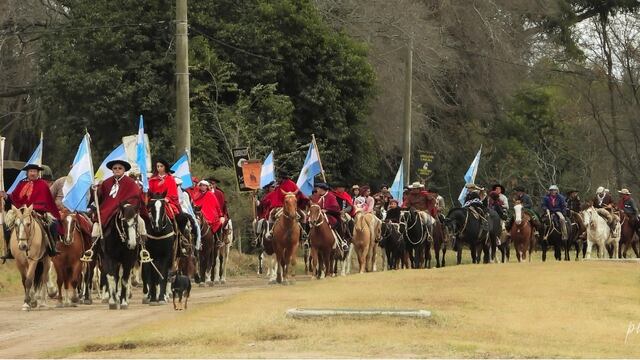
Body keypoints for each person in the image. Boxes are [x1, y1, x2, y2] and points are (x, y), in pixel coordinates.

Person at [2, 164, 61, 259]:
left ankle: (52, 248)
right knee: (6, 224)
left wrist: (35, 208)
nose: (32, 173)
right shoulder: (22, 183)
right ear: (27, 173)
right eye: (30, 171)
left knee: (53, 223)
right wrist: (6, 196)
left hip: (39, 211)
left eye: (34, 171)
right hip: (21, 211)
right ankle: (9, 249)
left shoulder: (43, 184)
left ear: (38, 173)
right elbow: (14, 197)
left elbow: (47, 200)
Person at [89, 160, 148, 246]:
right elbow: (100, 197)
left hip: (127, 211)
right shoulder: (106, 182)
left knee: (141, 222)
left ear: (124, 170)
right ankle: (93, 251)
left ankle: (143, 249)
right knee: (95, 228)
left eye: (120, 168)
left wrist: (127, 206)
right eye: (115, 168)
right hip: (107, 211)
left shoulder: (130, 182)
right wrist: (95, 190)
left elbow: (136, 197)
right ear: (112, 170)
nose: (117, 170)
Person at [315, 183, 347, 251]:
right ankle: (307, 239)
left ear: (322, 189)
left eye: (318, 188)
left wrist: (326, 210)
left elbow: (336, 208)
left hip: (330, 215)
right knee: (310, 221)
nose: (316, 190)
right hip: (318, 215)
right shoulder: (317, 196)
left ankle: (342, 241)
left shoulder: (331, 196)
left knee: (339, 223)